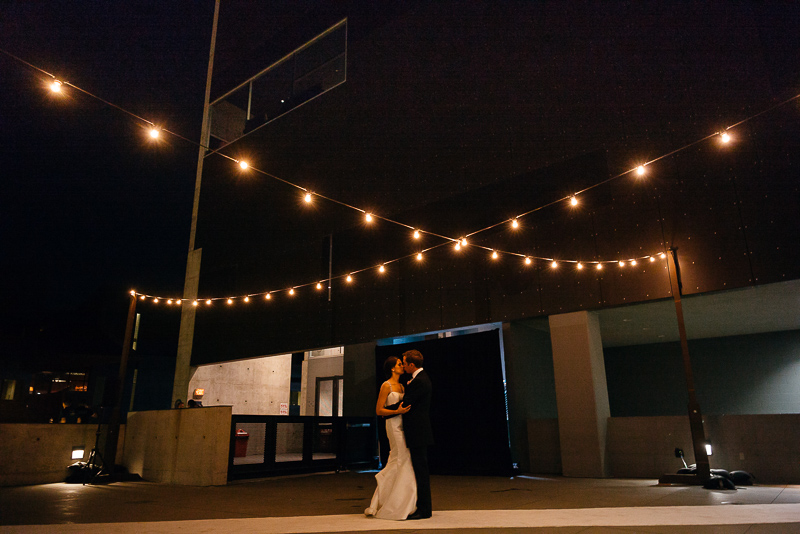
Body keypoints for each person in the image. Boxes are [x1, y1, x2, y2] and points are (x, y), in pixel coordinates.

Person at [365, 356, 415, 520]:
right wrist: (396, 412)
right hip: (393, 426)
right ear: (392, 368)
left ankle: (386, 499)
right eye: (400, 364)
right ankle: (397, 501)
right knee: (401, 458)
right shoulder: (386, 385)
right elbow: (379, 410)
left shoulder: (401, 385)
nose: (402, 366)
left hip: (404, 425)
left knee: (397, 461)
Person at [400, 349, 434, 519]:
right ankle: (421, 506)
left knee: (421, 470)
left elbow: (406, 403)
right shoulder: (419, 379)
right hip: (419, 431)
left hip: (418, 431)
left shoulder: (419, 381)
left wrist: (384, 410)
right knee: (420, 469)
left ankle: (424, 509)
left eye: (404, 363)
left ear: (412, 365)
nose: (403, 366)